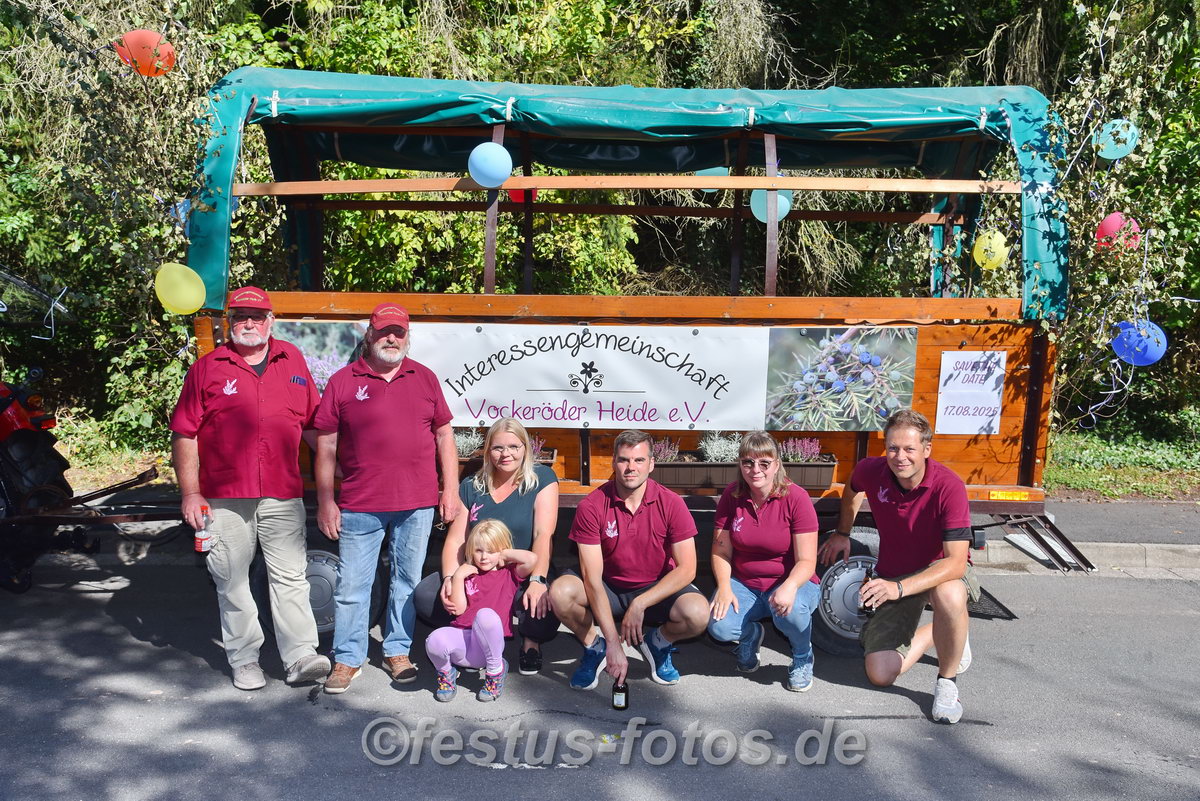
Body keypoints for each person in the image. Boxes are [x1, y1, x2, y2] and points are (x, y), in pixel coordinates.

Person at [169, 285, 330, 690]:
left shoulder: (292, 359)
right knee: (232, 580)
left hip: (282, 491)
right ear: (229, 322)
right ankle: (244, 661)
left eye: (257, 317)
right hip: (224, 496)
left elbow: (313, 424)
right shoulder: (207, 368)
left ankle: (301, 656)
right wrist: (190, 493)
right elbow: (184, 433)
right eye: (240, 316)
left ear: (271, 321)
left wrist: (344, 469)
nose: (249, 323)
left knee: (291, 577)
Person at [313, 302, 460, 694]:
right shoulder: (343, 381)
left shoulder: (425, 378)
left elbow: (444, 435)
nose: (391, 338)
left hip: (417, 503)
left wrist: (450, 489)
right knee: (352, 587)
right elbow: (325, 445)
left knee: (406, 581)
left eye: (398, 332)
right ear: (370, 335)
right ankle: (347, 658)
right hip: (360, 503)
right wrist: (326, 500)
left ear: (407, 336)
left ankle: (397, 651)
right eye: (383, 331)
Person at [818, 408, 979, 724]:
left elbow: (956, 563)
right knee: (879, 674)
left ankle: (947, 684)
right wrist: (842, 532)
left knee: (949, 595)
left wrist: (898, 588)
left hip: (938, 571)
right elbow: (852, 487)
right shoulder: (872, 470)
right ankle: (945, 630)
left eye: (909, 449)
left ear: (926, 449)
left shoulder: (949, 486)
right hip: (895, 572)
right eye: (893, 448)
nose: (899, 456)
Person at [549, 430, 708, 690]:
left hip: (655, 587)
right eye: (624, 460)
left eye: (639, 460)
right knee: (560, 593)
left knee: (698, 613)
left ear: (651, 464)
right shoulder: (592, 505)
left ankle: (658, 642)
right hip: (608, 585)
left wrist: (640, 604)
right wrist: (613, 643)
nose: (631, 467)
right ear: (613, 462)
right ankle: (594, 646)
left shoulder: (672, 503)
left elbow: (688, 569)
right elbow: (591, 578)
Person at [414, 418, 560, 675]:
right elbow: (456, 539)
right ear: (488, 451)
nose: (506, 454)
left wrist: (538, 579)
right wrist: (450, 578)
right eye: (498, 447)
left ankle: (531, 642)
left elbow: (543, 534)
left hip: (520, 570)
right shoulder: (472, 485)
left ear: (525, 448)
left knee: (543, 603)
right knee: (427, 596)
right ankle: (469, 636)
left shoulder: (542, 478)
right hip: (479, 571)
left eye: (514, 447)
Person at [707, 431, 821, 692]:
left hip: (791, 580)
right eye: (748, 462)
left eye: (764, 463)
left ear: (776, 465)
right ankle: (750, 636)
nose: (755, 469)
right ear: (740, 465)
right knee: (719, 626)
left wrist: (789, 586)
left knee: (791, 612)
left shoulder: (796, 498)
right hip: (746, 583)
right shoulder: (732, 496)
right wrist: (724, 586)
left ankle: (802, 656)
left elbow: (807, 561)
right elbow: (720, 551)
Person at [424, 520, 536, 702]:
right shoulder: (467, 574)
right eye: (478, 550)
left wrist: (504, 554)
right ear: (471, 550)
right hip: (464, 641)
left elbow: (531, 559)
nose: (484, 557)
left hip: (488, 647)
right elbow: (458, 609)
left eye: (491, 551)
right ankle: (447, 674)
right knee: (434, 639)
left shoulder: (509, 573)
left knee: (485, 615)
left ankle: (495, 671)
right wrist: (458, 576)